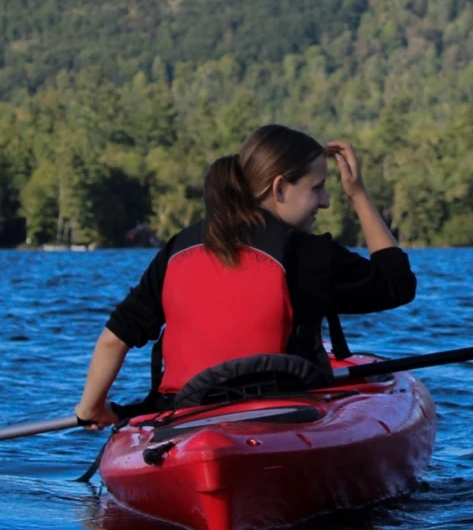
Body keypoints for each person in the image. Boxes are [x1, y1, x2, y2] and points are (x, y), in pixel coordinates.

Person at [74, 124, 415, 424]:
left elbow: (113, 339)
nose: (325, 201)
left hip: (188, 416)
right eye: (317, 188)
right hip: (281, 415)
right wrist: (358, 195)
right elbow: (396, 284)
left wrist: (92, 409)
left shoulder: (180, 246)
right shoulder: (308, 254)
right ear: (279, 188)